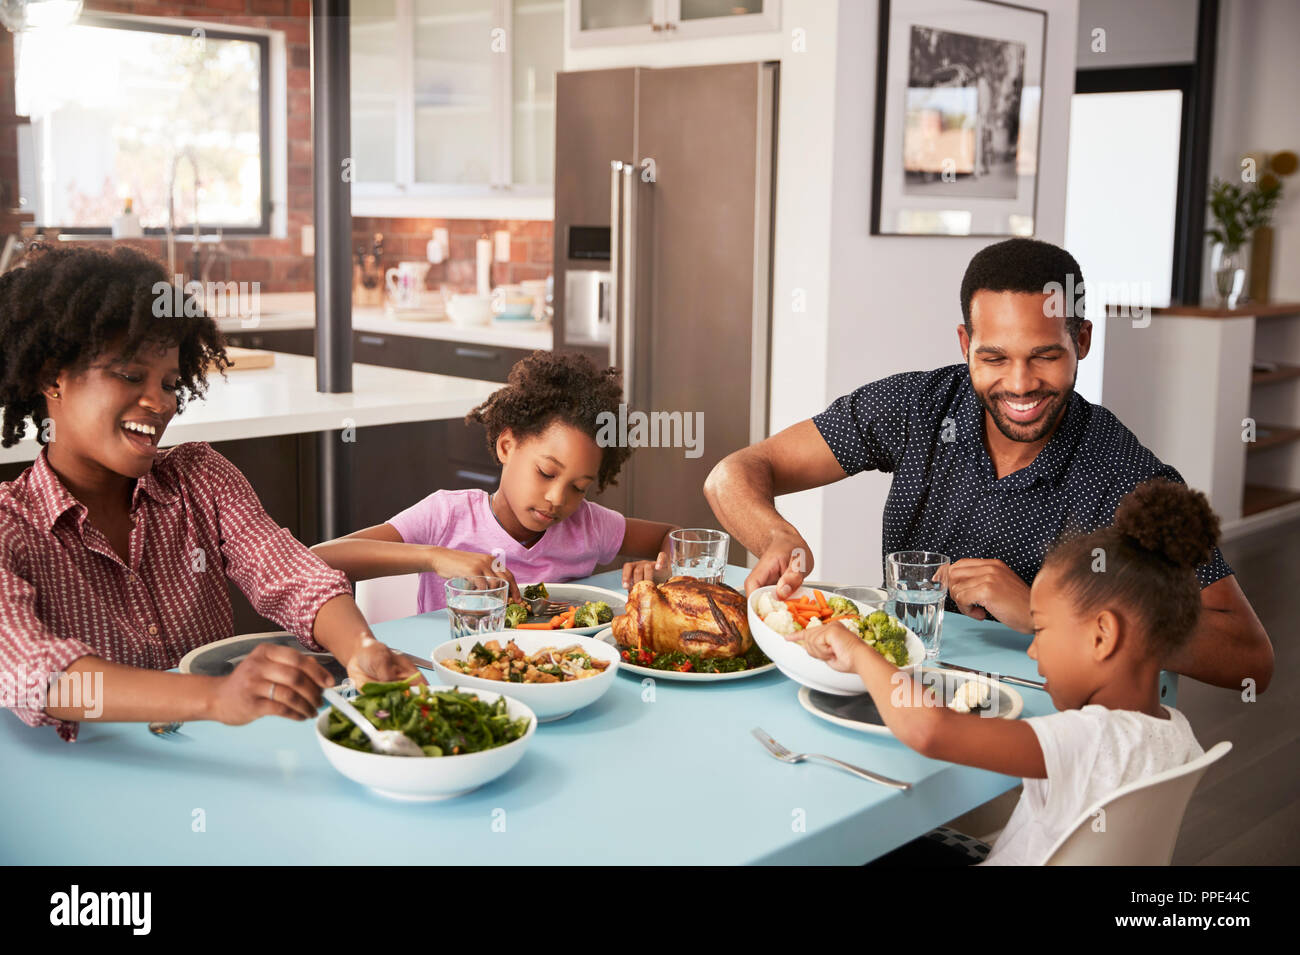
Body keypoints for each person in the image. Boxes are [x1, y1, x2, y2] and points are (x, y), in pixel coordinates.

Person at [704, 237, 1272, 691]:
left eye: (1045, 356)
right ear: (964, 343)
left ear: (1082, 340)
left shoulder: (1124, 473)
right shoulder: (918, 406)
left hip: (1034, 739)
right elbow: (734, 473)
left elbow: (1249, 659)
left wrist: (1050, 613)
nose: (1020, 385)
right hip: (892, 698)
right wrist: (775, 536)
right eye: (994, 357)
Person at [0, 245, 417, 742]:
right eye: (131, 376)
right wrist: (216, 698)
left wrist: (360, 647)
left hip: (220, 758)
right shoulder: (11, 526)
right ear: (52, 377)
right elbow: (37, 679)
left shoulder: (200, 477)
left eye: (171, 383)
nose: (159, 402)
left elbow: (290, 573)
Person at [799, 479, 1212, 865]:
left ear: (1102, 635)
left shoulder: (1085, 740)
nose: (1033, 648)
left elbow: (932, 731)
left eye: (1042, 628)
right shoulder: (1179, 733)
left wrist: (858, 651)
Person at [312, 350, 678, 612]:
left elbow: (676, 538)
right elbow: (320, 558)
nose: (556, 498)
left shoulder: (589, 526)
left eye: (578, 487)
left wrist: (662, 568)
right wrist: (435, 558)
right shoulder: (448, 515)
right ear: (507, 446)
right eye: (546, 473)